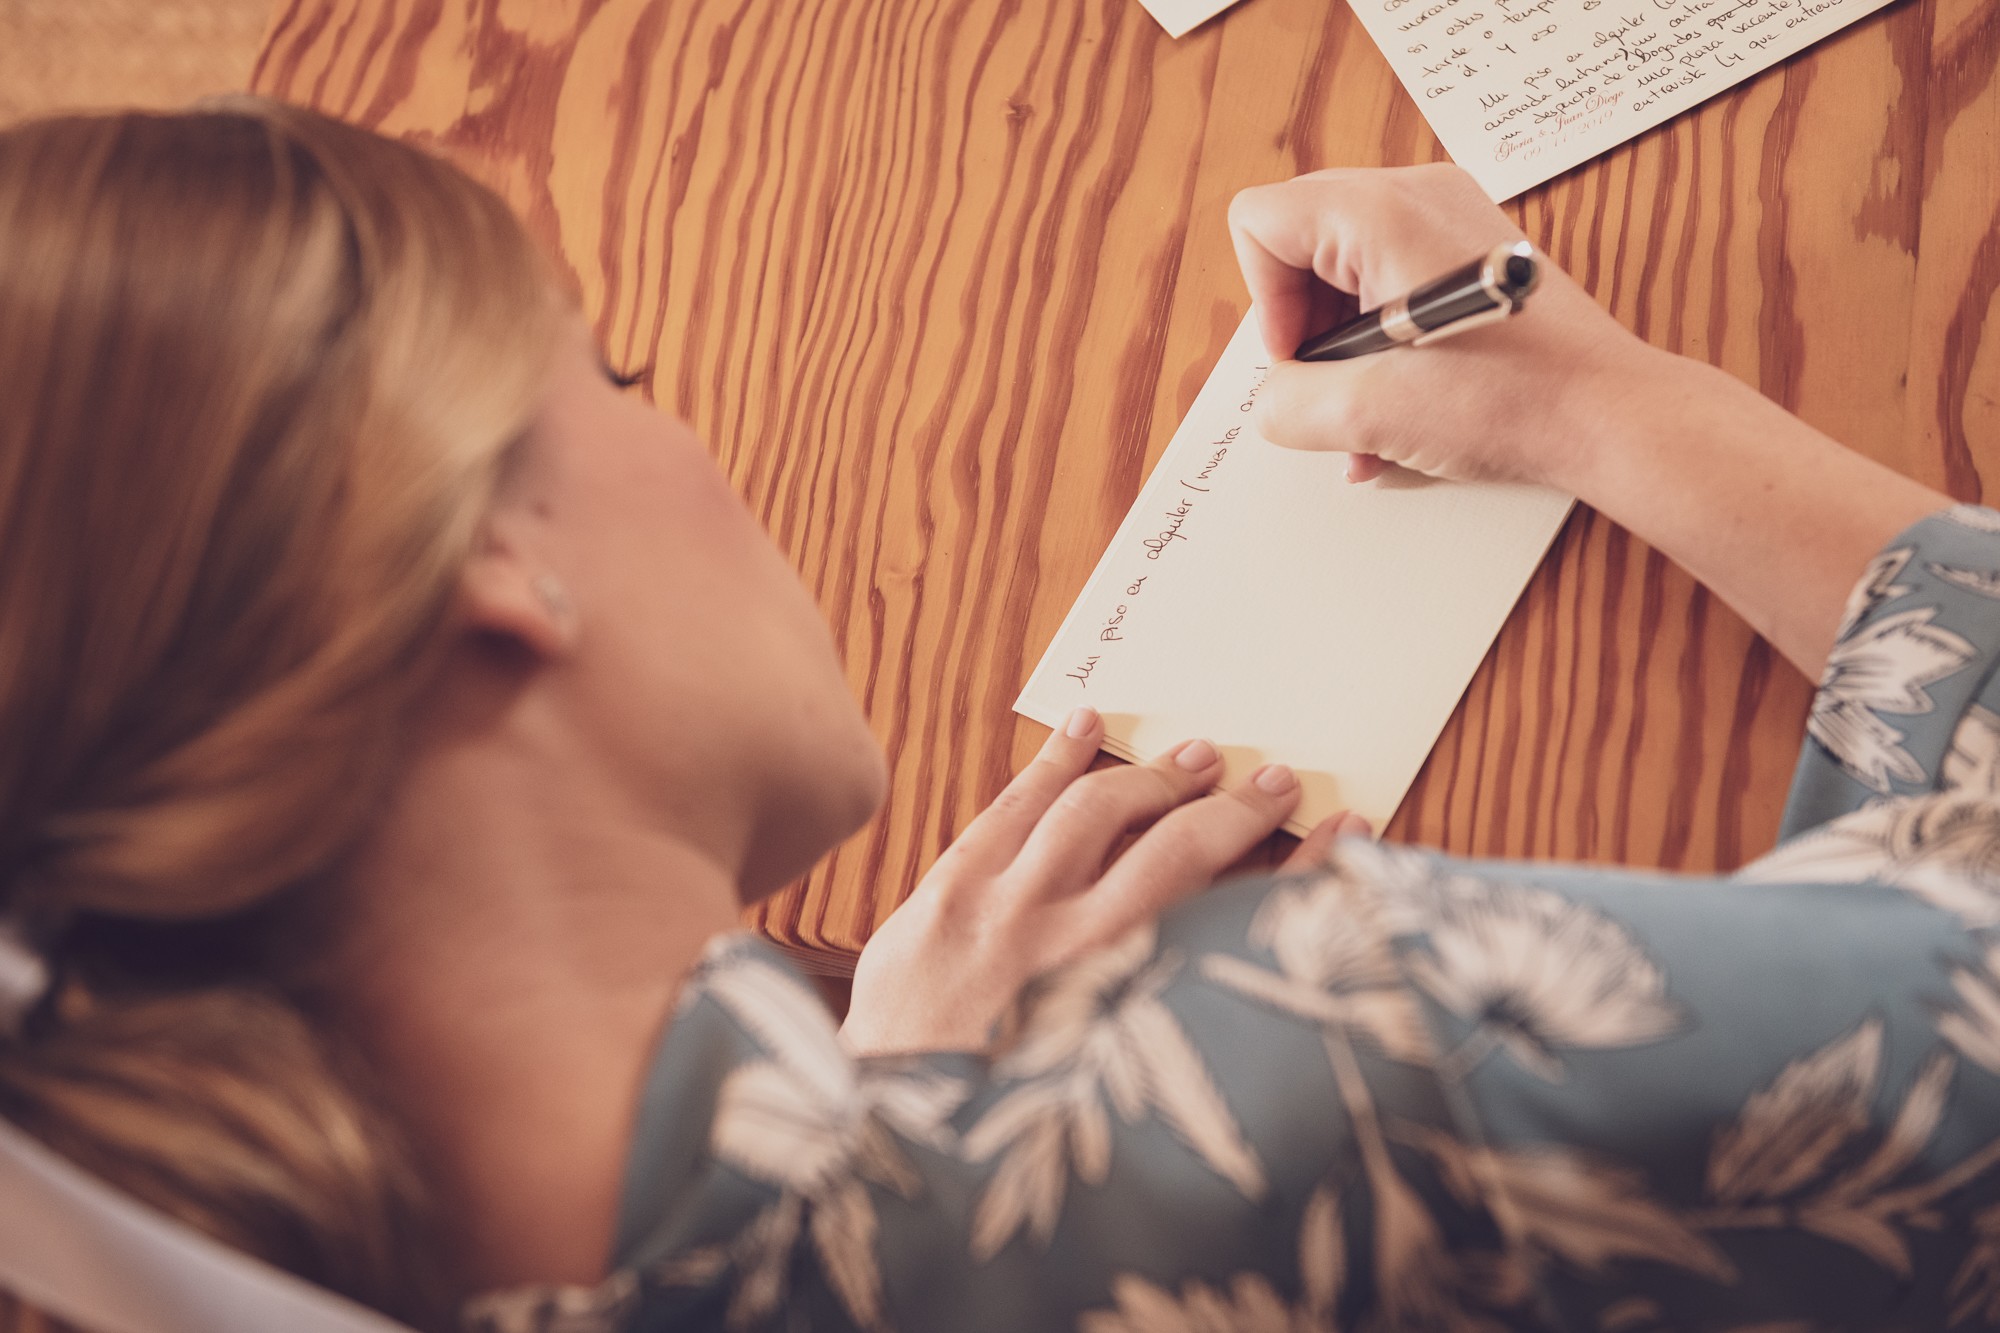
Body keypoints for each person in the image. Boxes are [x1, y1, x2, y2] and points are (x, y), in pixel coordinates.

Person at [0, 96, 1996, 1333]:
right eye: (606, 378)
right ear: (489, 560)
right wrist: (1600, 400)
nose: (659, 421)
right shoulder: (1320, 1072)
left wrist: (891, 1110)